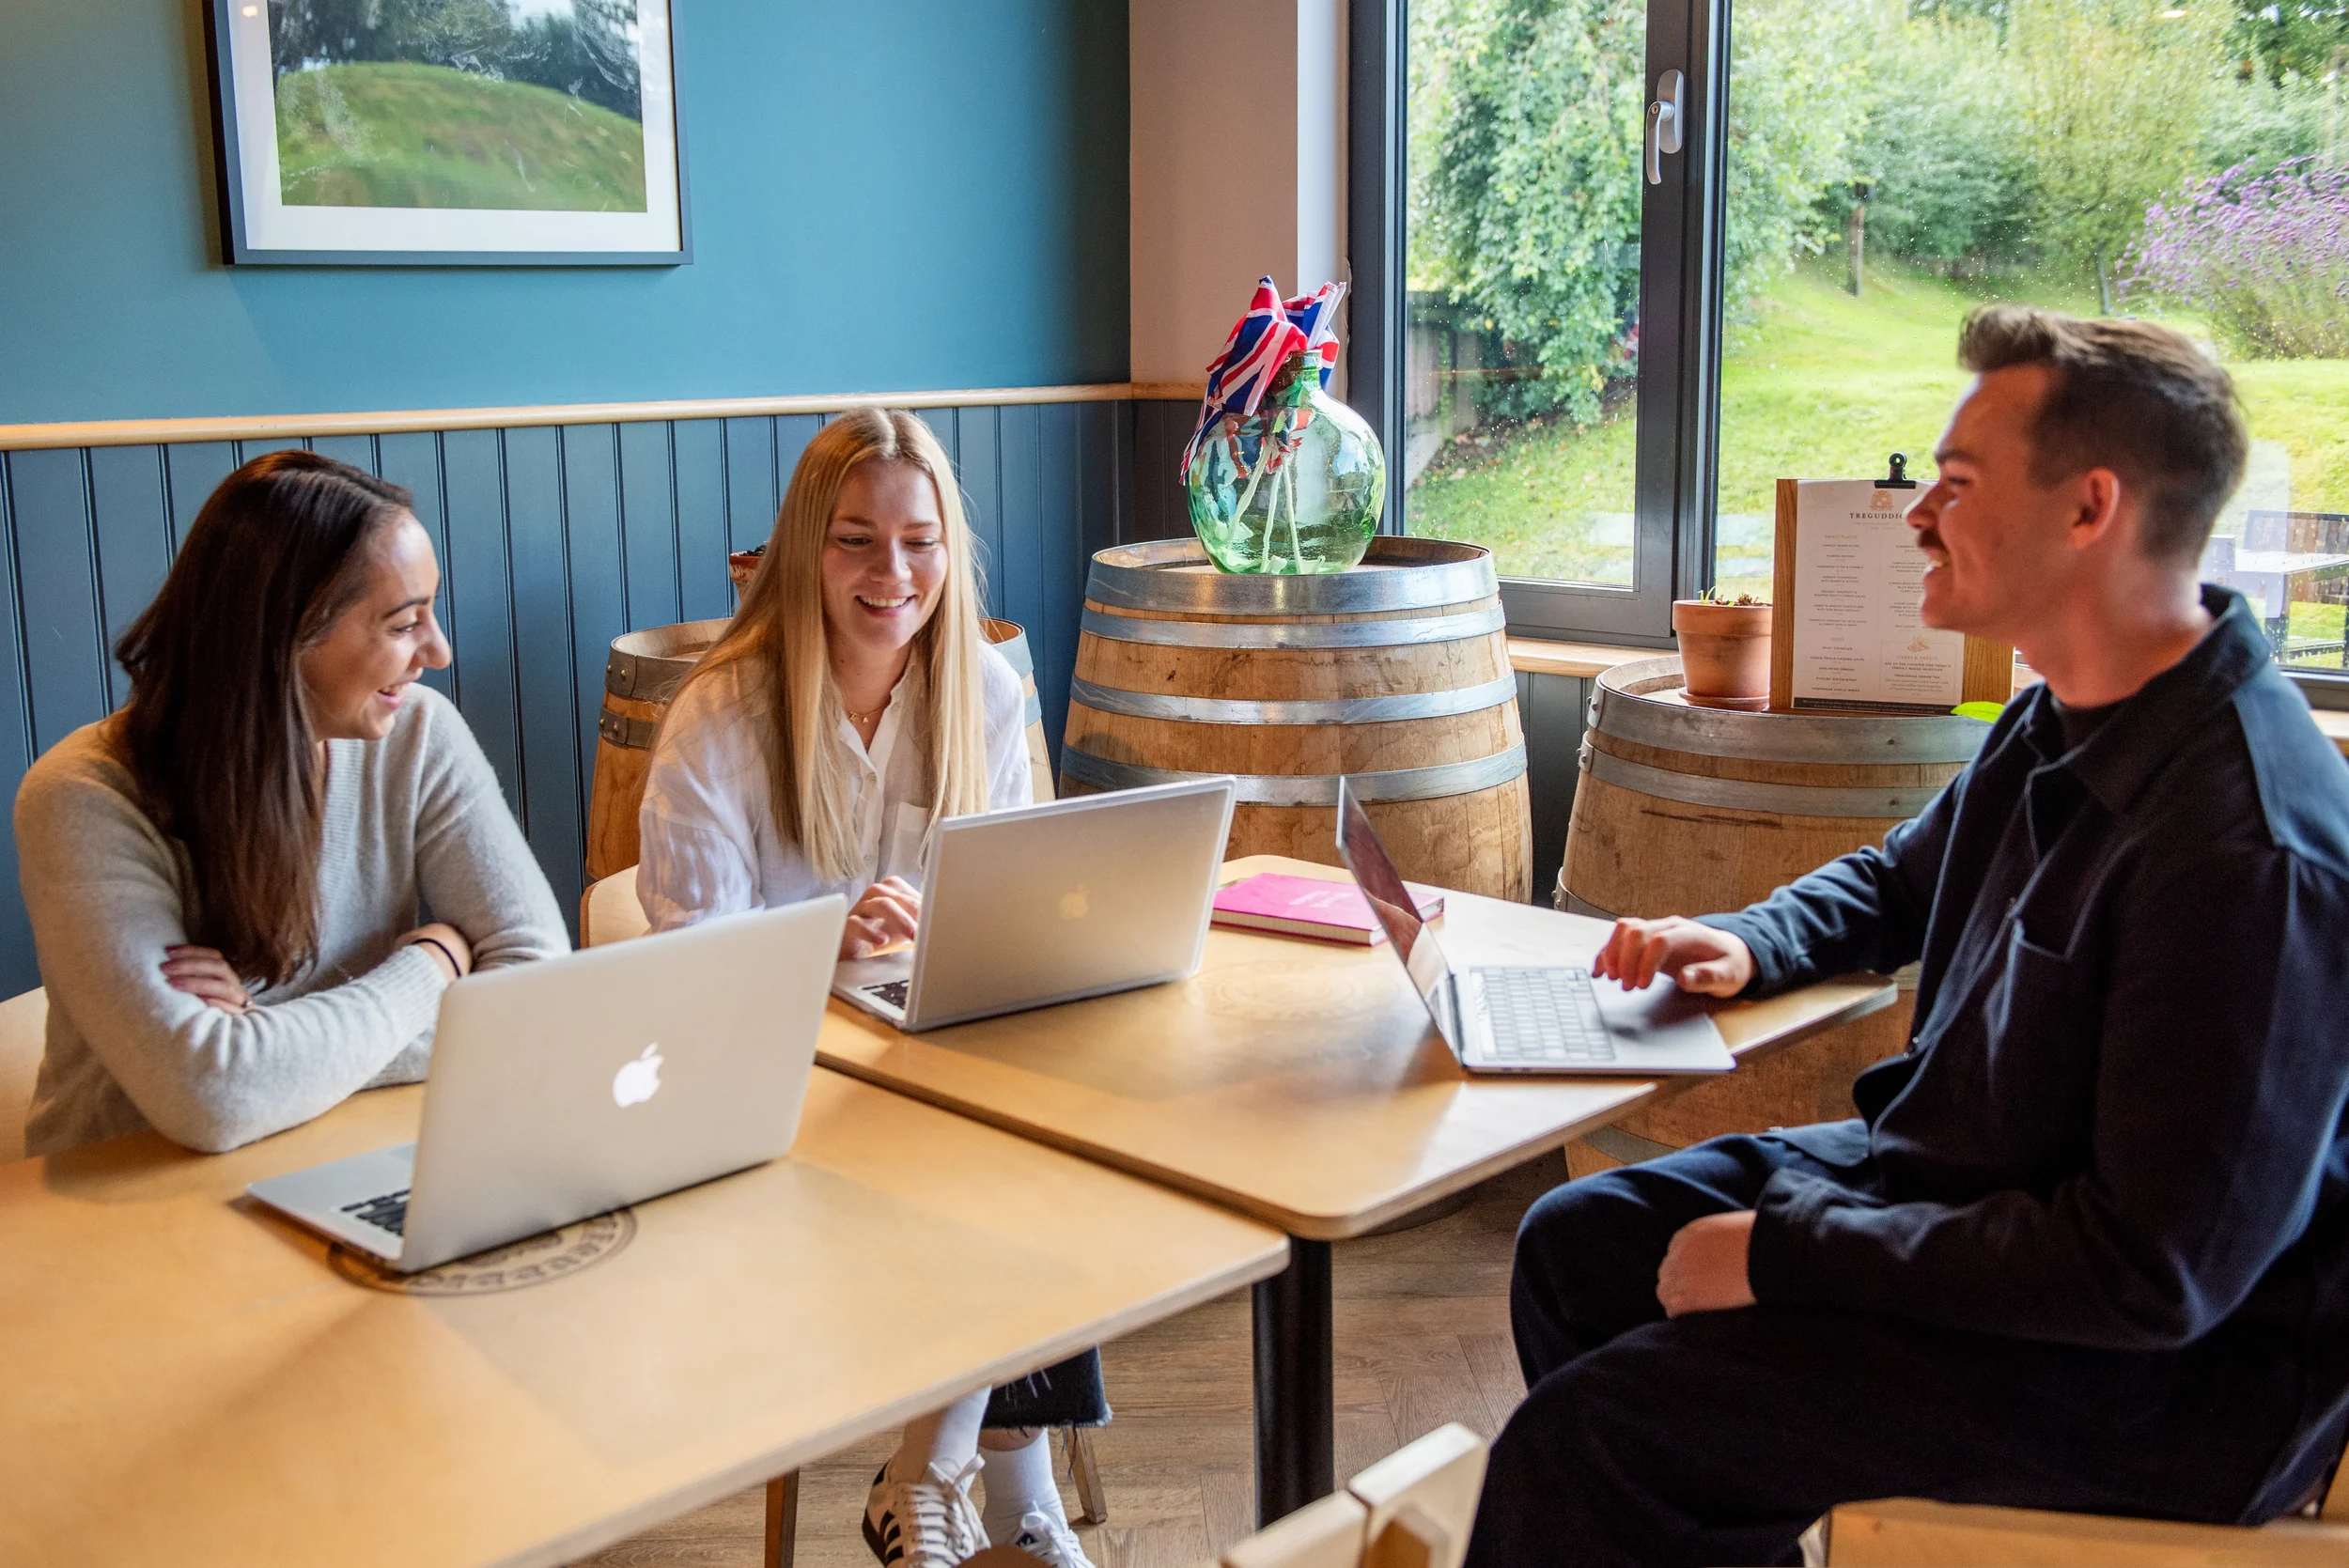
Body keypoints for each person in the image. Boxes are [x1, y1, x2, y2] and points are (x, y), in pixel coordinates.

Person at [1469, 308, 2349, 1568]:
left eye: (1955, 483)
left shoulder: (2247, 846)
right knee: (1577, 1248)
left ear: (2090, 508)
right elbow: (1897, 879)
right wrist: (1749, 940)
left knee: (1594, 1439)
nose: (1914, 514)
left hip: (2165, 1385)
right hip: (1980, 1200)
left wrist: (1790, 1255)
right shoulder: (2064, 708)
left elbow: (2152, 1273)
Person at [635, 408, 1099, 1568]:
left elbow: (1012, 896)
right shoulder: (721, 718)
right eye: (855, 540)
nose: (891, 573)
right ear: (805, 549)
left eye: (918, 540)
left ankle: (943, 1477)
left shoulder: (983, 692)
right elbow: (690, 980)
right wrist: (821, 944)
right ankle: (997, 1488)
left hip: (923, 1048)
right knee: (999, 1156)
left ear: (950, 551)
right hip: (774, 1081)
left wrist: (957, 933)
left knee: (1050, 1135)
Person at [16, 451, 568, 1157]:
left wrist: (265, 1039)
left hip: (341, 1152)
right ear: (285, 635)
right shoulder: (84, 795)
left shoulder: (418, 734)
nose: (439, 650)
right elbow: (212, 1097)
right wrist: (434, 965)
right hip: (123, 1196)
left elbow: (541, 989)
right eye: (404, 624)